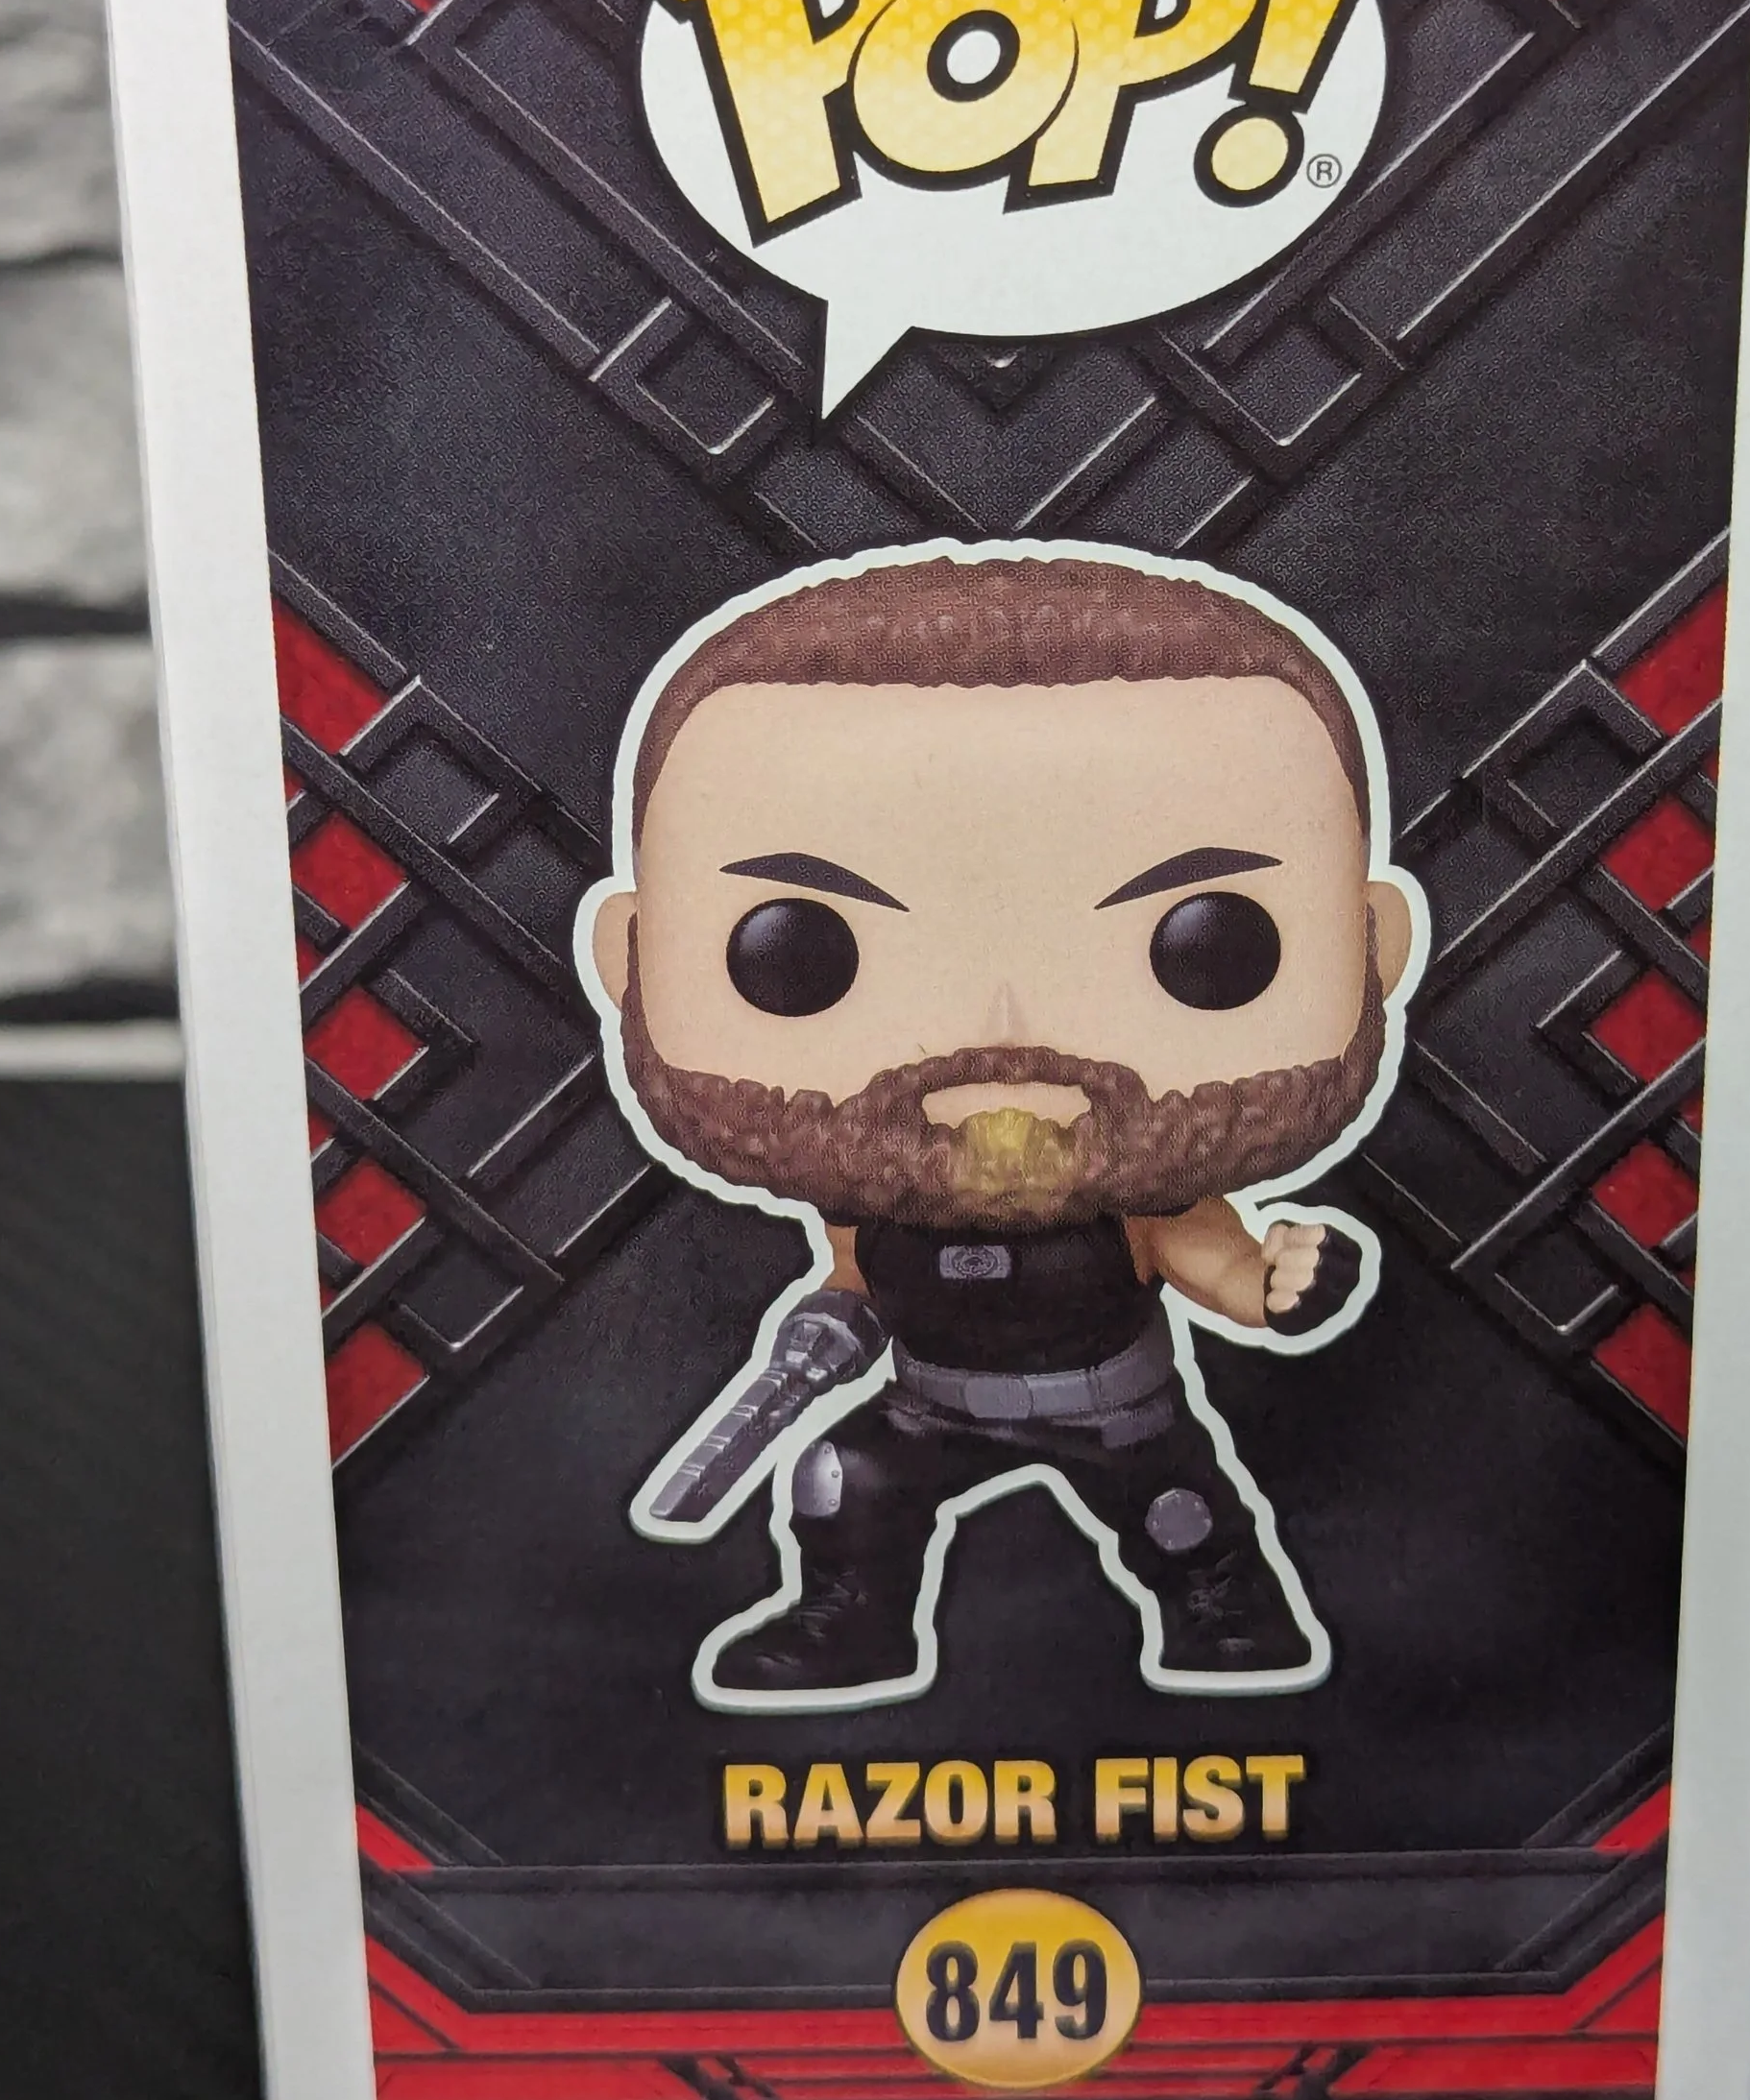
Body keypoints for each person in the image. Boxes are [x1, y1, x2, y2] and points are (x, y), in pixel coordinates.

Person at [580, 543, 1424, 1710]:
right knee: (841, 1480)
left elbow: (1218, 1263)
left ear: (1373, 945)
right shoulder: (875, 1186)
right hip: (929, 1400)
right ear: (630, 961)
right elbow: (852, 1273)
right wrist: (822, 1331)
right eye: (797, 952)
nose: (1003, 1032)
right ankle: (849, 1621)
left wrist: (1283, 1283)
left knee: (1183, 1519)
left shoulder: (1145, 1190)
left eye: (1209, 942)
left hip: (1115, 1403)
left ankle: (1229, 1614)